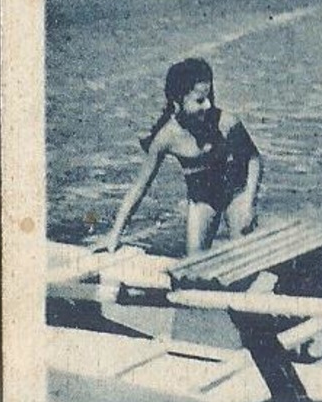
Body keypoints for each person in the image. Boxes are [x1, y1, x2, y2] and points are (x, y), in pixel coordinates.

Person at [97, 58, 261, 256]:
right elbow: (139, 187)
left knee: (243, 248)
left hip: (236, 192)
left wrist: (250, 202)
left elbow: (253, 159)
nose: (208, 105)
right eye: (200, 100)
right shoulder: (167, 137)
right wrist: (115, 235)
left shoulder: (225, 122)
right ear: (177, 103)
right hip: (203, 199)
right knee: (194, 261)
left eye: (209, 97)